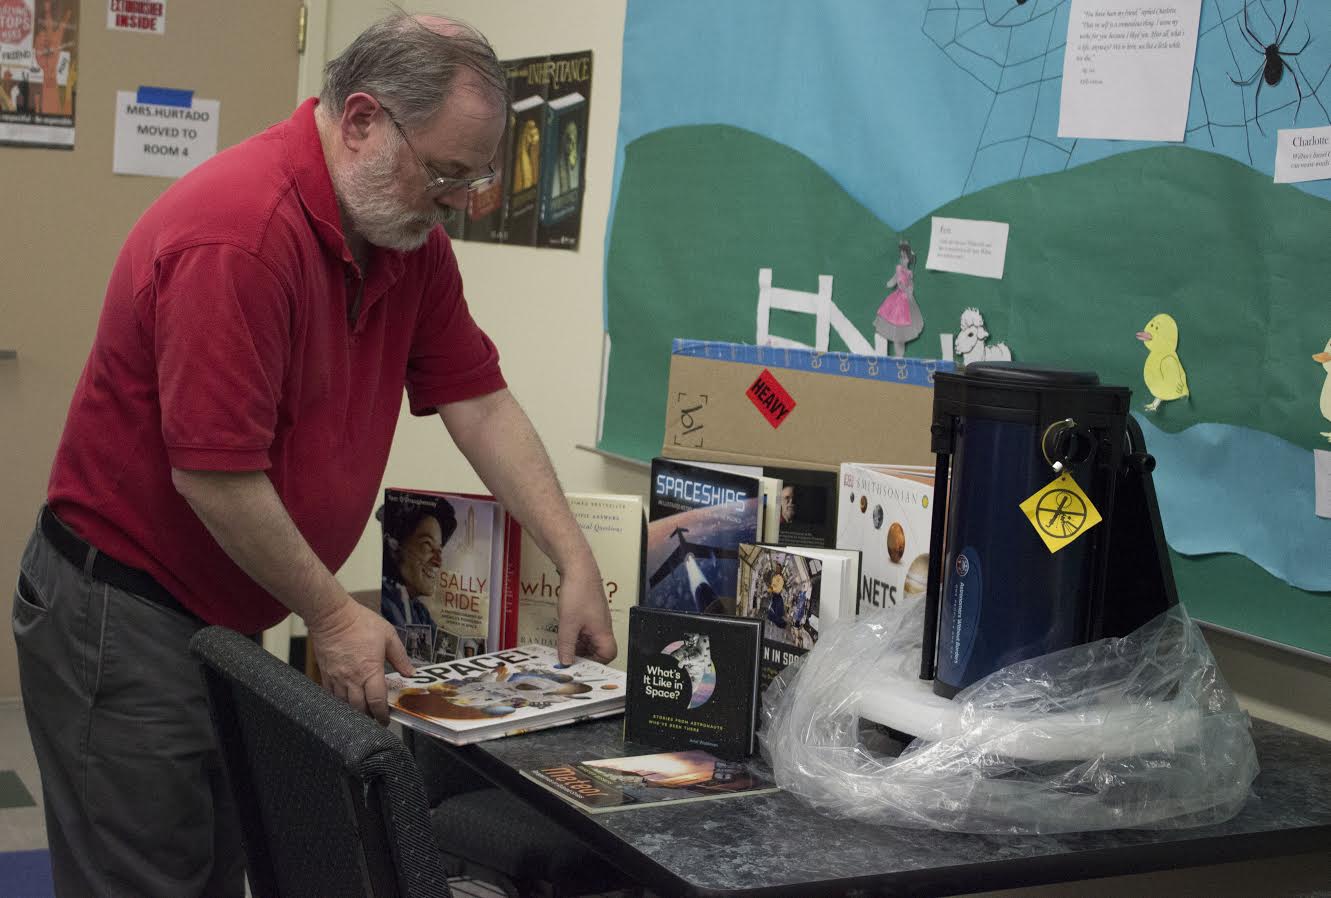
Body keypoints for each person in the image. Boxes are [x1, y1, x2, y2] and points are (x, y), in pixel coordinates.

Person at [11, 14, 615, 898]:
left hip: (226, 606)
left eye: (472, 180)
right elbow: (213, 474)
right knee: (142, 878)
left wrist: (575, 558)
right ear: (363, 119)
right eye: (444, 173)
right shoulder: (237, 234)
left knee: (217, 866)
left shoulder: (405, 238)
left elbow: (479, 402)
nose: (453, 200)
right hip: (122, 609)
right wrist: (332, 617)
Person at [381, 496, 457, 638]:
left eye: (439, 550)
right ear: (394, 546)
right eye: (427, 545)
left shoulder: (420, 612)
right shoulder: (387, 606)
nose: (438, 561)